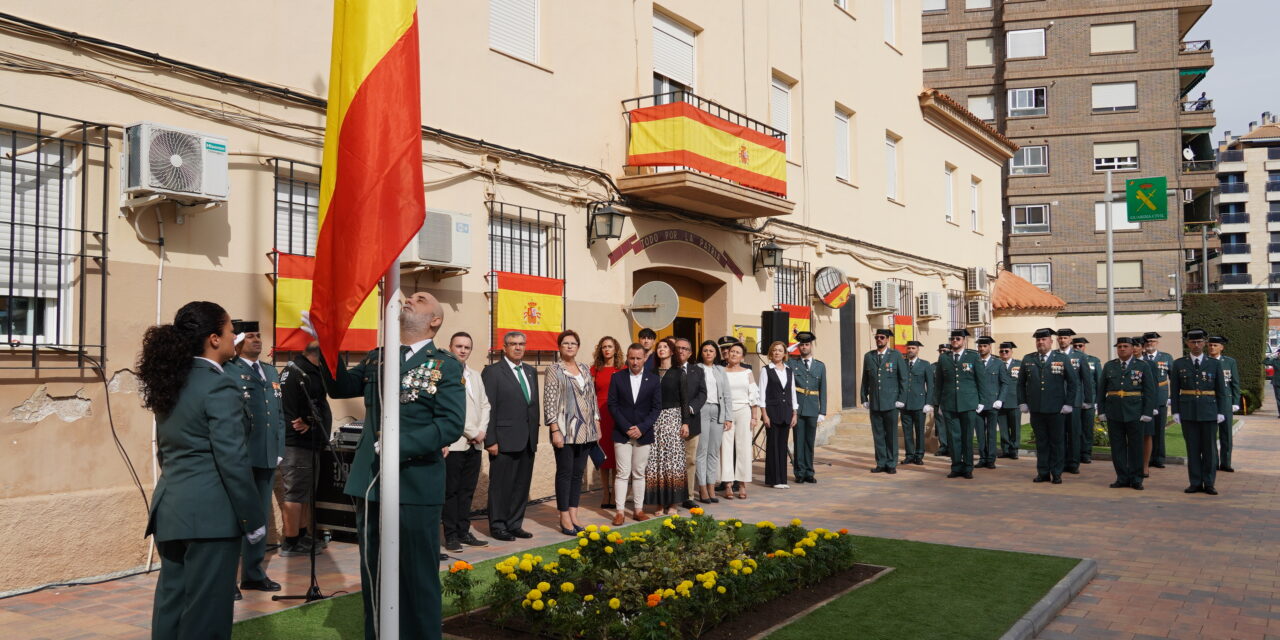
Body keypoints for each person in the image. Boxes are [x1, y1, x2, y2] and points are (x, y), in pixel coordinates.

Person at [318, 291, 464, 640]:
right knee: (375, 574)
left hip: (415, 485)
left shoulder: (445, 365)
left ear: (435, 320)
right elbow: (338, 387)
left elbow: (450, 424)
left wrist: (401, 444)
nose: (410, 298)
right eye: (409, 295)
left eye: (421, 297)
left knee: (417, 576)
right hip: (371, 483)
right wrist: (328, 341)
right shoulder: (379, 358)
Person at [141, 301, 265, 640]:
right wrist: (253, 519)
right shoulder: (219, 384)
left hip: (172, 508)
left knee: (172, 606)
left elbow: (168, 452)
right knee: (206, 615)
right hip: (210, 517)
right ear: (213, 339)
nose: (233, 338)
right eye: (229, 331)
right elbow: (233, 460)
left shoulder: (171, 379)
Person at [223, 320, 284, 598]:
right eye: (250, 337)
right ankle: (227, 581)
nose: (257, 341)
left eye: (259, 336)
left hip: (268, 455)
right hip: (242, 456)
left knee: (258, 518)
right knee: (236, 519)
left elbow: (278, 415)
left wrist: (279, 448)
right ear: (237, 341)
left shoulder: (271, 371)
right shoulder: (229, 370)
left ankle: (253, 574)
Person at [483, 330, 540, 541]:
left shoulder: (530, 371)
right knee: (501, 486)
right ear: (504, 348)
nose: (518, 347)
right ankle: (498, 526)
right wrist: (491, 440)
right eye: (513, 344)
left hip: (527, 440)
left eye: (521, 344)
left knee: (521, 485)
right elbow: (488, 408)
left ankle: (515, 523)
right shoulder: (493, 372)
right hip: (503, 441)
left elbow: (532, 406)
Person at [278, 340, 333, 557]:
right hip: (296, 443)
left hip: (309, 442)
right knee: (295, 492)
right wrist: (307, 424)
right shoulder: (297, 373)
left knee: (304, 493)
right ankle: (291, 542)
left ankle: (302, 536)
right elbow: (291, 413)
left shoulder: (306, 371)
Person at [543, 329, 602, 535]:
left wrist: (597, 423)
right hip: (564, 430)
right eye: (565, 343)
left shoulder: (585, 368)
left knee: (578, 474)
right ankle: (564, 517)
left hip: (585, 430)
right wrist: (554, 430)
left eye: (573, 343)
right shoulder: (554, 369)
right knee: (565, 473)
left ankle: (574, 514)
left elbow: (592, 398)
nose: (569, 346)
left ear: (578, 347)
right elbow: (549, 401)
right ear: (559, 347)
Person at [442, 331, 490, 552]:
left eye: (467, 347)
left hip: (475, 444)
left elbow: (485, 405)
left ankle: (463, 530)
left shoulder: (476, 375)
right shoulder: (444, 374)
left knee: (467, 490)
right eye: (459, 346)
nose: (463, 350)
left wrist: (481, 431)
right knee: (451, 491)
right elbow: (451, 410)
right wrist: (472, 431)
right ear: (450, 347)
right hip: (455, 444)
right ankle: (451, 535)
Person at [607, 343, 662, 525]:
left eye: (639, 358)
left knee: (639, 472)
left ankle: (638, 510)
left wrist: (642, 428)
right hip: (622, 433)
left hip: (644, 433)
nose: (635, 362)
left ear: (645, 359)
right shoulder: (617, 378)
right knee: (622, 473)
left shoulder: (653, 379)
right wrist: (626, 427)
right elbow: (612, 405)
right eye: (632, 358)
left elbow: (656, 408)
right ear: (627, 358)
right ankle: (620, 512)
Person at [1170, 329, 1230, 495]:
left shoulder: (1215, 364)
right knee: (1193, 449)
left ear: (1204, 343)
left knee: (1209, 449)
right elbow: (1174, 390)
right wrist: (1175, 411)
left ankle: (1209, 482)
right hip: (1188, 411)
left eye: (1199, 342)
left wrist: (1221, 411)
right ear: (1187, 343)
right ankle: (1195, 482)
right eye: (1192, 342)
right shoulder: (1179, 364)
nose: (1196, 345)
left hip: (1209, 411)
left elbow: (1221, 391)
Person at [1018, 328, 1078, 485]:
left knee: (1057, 442)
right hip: (1037, 409)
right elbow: (1020, 384)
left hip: (1057, 409)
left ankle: (1056, 473)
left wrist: (1069, 403)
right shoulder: (1028, 359)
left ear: (1051, 341)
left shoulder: (1061, 358)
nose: (1040, 342)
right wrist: (1022, 402)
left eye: (1044, 339)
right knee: (1041, 442)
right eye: (1038, 340)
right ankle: (1043, 472)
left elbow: (1073, 382)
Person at [1098, 337, 1156, 490]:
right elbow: (1101, 390)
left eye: (1125, 346)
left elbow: (1150, 391)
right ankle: (1122, 477)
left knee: (1136, 447)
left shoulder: (1142, 366)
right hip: (1114, 411)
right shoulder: (1110, 366)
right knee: (1117, 447)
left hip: (1135, 412)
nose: (1122, 349)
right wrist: (1101, 411)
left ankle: (1136, 478)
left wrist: (1147, 411)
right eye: (1119, 346)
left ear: (1132, 348)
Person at [645, 338, 690, 514]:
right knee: (656, 461)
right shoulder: (651, 372)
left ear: (672, 351)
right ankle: (659, 503)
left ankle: (673, 503)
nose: (661, 349)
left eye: (665, 347)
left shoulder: (679, 373)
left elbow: (685, 400)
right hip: (655, 419)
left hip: (673, 418)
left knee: (673, 461)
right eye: (659, 347)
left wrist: (685, 422)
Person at [936, 329, 989, 479]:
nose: (955, 341)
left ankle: (968, 467)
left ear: (964, 340)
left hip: (969, 403)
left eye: (958, 339)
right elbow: (939, 382)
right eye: (953, 339)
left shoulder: (973, 356)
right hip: (949, 403)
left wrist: (982, 401)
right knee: (953, 437)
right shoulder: (944, 358)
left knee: (966, 437)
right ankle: (956, 466)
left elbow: (981, 380)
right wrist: (938, 403)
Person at [861, 329, 906, 474]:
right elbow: (865, 379)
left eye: (882, 337)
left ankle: (892, 463)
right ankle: (881, 462)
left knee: (891, 434)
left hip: (891, 402)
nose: (879, 339)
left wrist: (901, 399)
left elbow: (903, 379)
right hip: (875, 402)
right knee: (878, 434)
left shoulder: (895, 355)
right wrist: (864, 397)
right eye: (877, 337)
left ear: (887, 339)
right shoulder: (869, 356)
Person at [721, 342, 762, 499]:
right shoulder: (721, 371)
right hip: (726, 413)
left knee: (744, 447)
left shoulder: (747, 372)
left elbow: (753, 395)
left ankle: (743, 484)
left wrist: (754, 416)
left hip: (744, 411)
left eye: (737, 352)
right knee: (726, 447)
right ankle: (728, 485)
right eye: (732, 351)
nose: (733, 354)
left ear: (742, 356)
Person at [694, 340, 730, 502]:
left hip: (717, 410)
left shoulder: (721, 370)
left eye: (711, 351)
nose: (708, 353)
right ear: (701, 353)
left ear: (716, 353)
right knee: (702, 450)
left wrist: (728, 417)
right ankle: (702, 488)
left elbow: (727, 395)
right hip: (702, 410)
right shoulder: (696, 369)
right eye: (705, 350)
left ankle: (711, 486)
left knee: (713, 451)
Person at [1054, 329, 1094, 475]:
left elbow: (1086, 379)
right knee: (1059, 434)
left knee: (1074, 433)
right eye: (1060, 338)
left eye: (1065, 338)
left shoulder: (1079, 356)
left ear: (1070, 340)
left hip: (1075, 401)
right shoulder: (1053, 355)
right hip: (1057, 401)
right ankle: (1061, 462)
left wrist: (1088, 400)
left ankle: (1073, 463)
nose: (1063, 340)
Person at [759, 340, 798, 487]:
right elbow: (761, 394)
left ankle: (782, 479)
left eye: (780, 350)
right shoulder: (766, 370)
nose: (777, 353)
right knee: (773, 446)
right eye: (774, 350)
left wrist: (794, 413)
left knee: (782, 446)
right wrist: (764, 414)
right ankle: (773, 479)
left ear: (784, 354)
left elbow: (792, 392)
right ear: (771, 352)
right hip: (772, 412)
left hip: (786, 412)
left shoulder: (789, 370)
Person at [591, 336, 624, 510]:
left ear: (615, 349)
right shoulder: (594, 369)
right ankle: (605, 492)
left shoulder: (623, 369)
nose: (607, 350)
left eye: (610, 346)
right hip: (600, 415)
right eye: (604, 347)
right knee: (604, 457)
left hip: (617, 415)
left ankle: (617, 493)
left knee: (617, 457)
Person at [790, 331, 826, 482]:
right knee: (798, 441)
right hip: (797, 408)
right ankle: (799, 472)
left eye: (806, 344)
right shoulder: (792, 364)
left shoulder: (820, 366)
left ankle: (809, 472)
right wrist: (789, 349)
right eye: (801, 345)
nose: (804, 347)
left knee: (809, 441)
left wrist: (822, 410)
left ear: (811, 345)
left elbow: (823, 388)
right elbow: (776, 360)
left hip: (812, 407)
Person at [675, 338, 707, 509]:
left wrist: (691, 409)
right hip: (671, 421)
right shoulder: (667, 370)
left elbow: (703, 393)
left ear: (690, 353)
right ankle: (671, 495)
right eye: (678, 348)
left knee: (690, 460)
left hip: (693, 421)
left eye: (685, 348)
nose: (681, 351)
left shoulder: (697, 371)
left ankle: (688, 496)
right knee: (671, 461)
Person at [1141, 331, 1174, 474]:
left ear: (1157, 343)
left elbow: (1173, 378)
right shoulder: (1140, 358)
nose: (1150, 344)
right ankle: (1145, 459)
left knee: (1159, 429)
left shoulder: (1166, 357)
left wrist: (1171, 396)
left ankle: (1159, 458)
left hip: (1160, 397)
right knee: (1146, 430)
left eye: (1153, 342)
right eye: (1147, 342)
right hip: (1144, 398)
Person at [974, 336, 1009, 470]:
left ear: (989, 347)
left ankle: (991, 459)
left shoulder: (998, 363)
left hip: (993, 403)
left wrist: (1000, 399)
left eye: (984, 346)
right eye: (980, 346)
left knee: (992, 433)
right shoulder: (974, 361)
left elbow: (1005, 383)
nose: (982, 349)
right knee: (980, 433)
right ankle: (982, 457)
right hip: (977, 403)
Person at [1206, 335, 1240, 473]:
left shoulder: (1229, 362)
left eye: (1215, 345)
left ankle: (1226, 463)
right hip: (1209, 402)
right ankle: (1213, 462)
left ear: (1221, 347)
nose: (1212, 347)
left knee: (1226, 434)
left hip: (1226, 402)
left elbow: (1235, 383)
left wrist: (1235, 402)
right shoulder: (1204, 361)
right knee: (1211, 435)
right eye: (1210, 345)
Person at [899, 340, 934, 465]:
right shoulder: (902, 363)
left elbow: (930, 385)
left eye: (913, 348)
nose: (910, 350)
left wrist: (929, 403)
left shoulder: (925, 364)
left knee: (919, 431)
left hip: (919, 403)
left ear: (918, 350)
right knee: (907, 431)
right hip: (905, 404)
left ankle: (919, 455)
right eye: (908, 348)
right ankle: (909, 455)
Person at [1072, 336, 1102, 464]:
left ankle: (1086, 453)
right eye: (1076, 346)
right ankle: (1074, 453)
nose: (1078, 348)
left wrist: (1097, 402)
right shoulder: (1069, 359)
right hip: (1074, 400)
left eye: (1080, 346)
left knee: (1087, 429)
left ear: (1085, 347)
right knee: (1074, 429)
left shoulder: (1094, 361)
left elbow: (1099, 382)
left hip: (1090, 400)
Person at [996, 341, 1022, 459]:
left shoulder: (1019, 364)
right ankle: (1005, 450)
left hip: (1014, 400)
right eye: (1002, 351)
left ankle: (1014, 449)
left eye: (1006, 351)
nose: (1004, 353)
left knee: (1015, 427)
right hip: (999, 401)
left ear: (1011, 352)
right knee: (1003, 428)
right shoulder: (996, 364)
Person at [934, 343, 951, 456]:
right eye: (940, 351)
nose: (942, 353)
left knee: (952, 424)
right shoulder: (933, 366)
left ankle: (952, 446)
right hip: (938, 399)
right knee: (940, 424)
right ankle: (943, 446)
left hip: (951, 398)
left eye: (945, 351)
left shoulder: (953, 365)